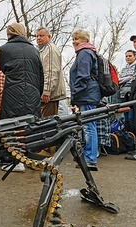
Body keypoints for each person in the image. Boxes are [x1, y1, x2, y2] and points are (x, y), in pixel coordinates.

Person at [0, 23, 44, 172]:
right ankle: (31, 158)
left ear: (9, 33)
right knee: (29, 126)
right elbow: (40, 75)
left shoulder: (3, 49)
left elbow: (2, 69)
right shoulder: (34, 50)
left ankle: (16, 161)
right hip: (32, 93)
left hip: (12, 93)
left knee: (11, 127)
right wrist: (38, 93)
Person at [69, 29, 100, 170]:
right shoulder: (88, 52)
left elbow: (83, 76)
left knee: (89, 127)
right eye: (74, 39)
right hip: (89, 94)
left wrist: (75, 94)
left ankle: (90, 158)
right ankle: (89, 156)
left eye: (78, 39)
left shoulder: (84, 53)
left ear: (85, 40)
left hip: (86, 95)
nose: (75, 41)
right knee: (88, 126)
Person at [36, 27, 66, 118]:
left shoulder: (50, 49)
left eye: (41, 35)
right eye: (37, 36)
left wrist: (47, 91)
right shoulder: (43, 50)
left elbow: (51, 71)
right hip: (49, 95)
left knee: (47, 123)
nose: (38, 38)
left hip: (50, 96)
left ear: (49, 36)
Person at [118, 49, 136, 131]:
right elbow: (118, 81)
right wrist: (128, 78)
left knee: (131, 118)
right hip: (123, 95)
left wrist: (124, 79)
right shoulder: (123, 69)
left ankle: (134, 136)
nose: (128, 58)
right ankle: (127, 137)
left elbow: (134, 79)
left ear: (135, 56)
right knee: (125, 118)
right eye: (126, 56)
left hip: (131, 95)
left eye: (130, 56)